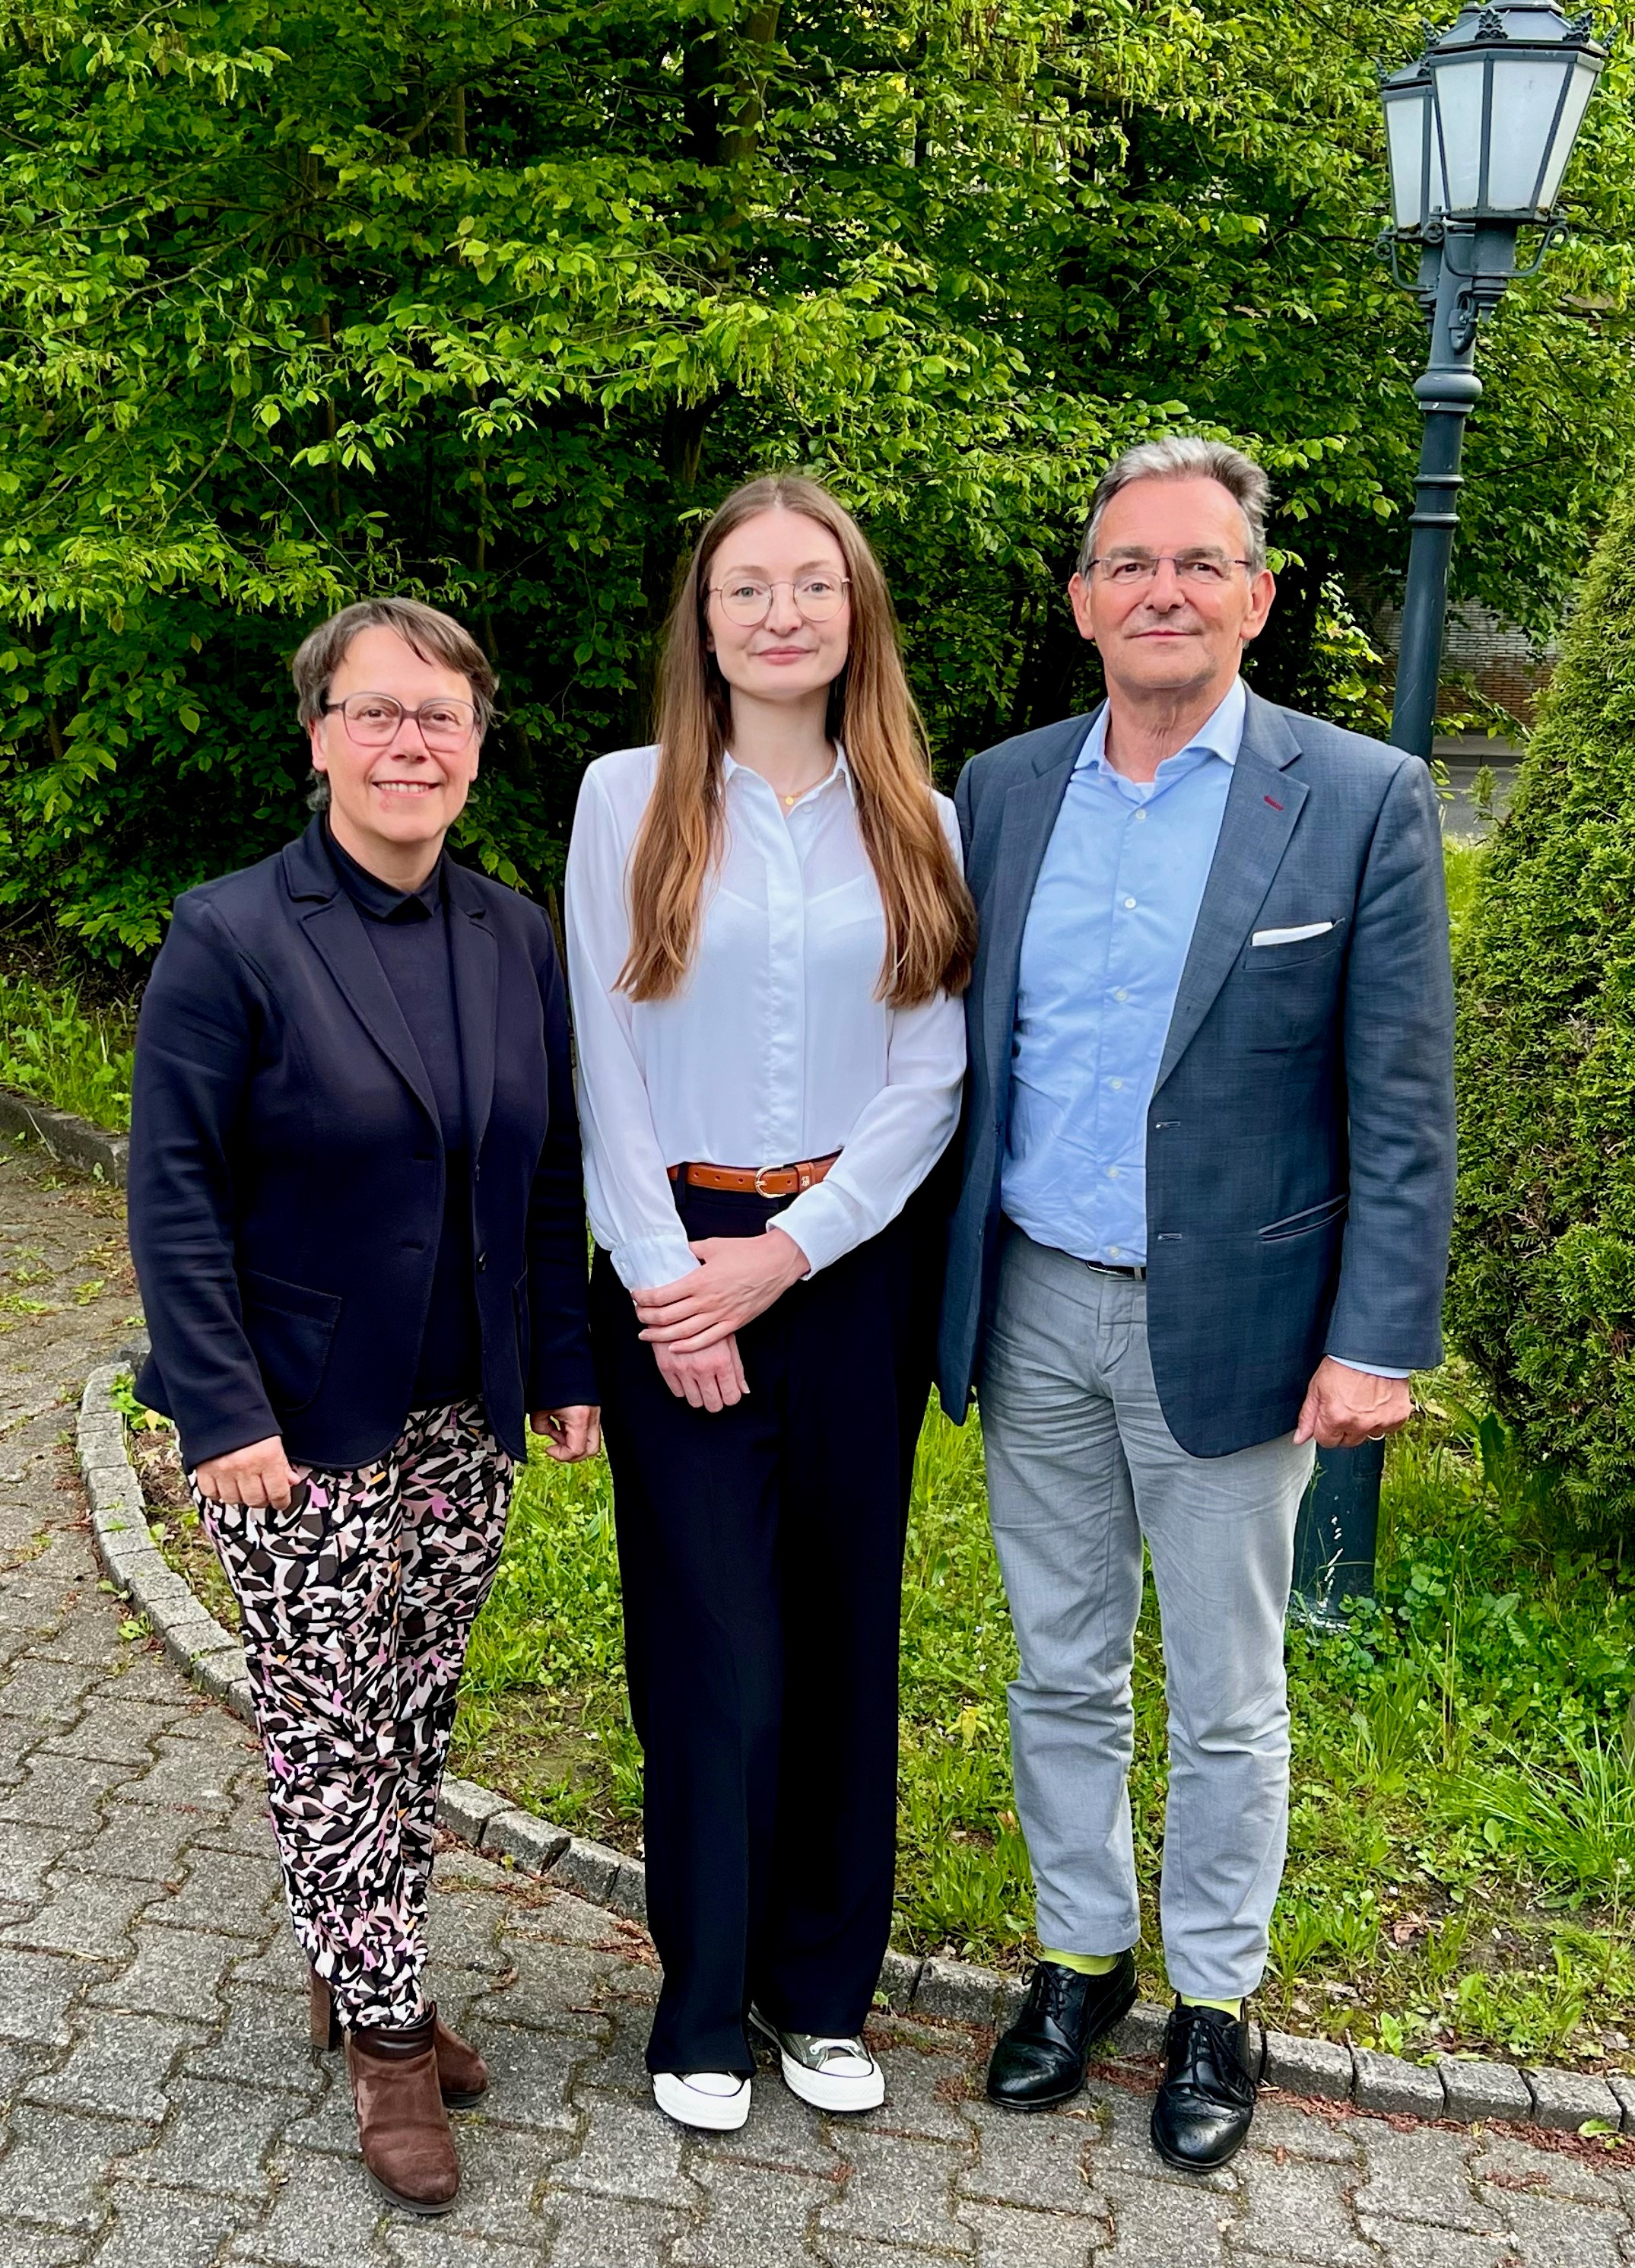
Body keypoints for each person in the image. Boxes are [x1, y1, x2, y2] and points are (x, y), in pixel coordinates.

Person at [938, 440, 1456, 2171]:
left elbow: (1400, 1098)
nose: (1162, 590)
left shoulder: (1359, 795)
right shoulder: (1001, 789)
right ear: (1082, 599)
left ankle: (1216, 2002)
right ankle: (1079, 1959)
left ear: (1256, 591)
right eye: (1127, 563)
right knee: (1058, 1661)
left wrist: (1375, 1337)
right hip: (1032, 1304)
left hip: (1236, 1328)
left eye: (1198, 562)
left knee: (1227, 1693)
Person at [128, 598, 600, 2216]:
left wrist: (563, 1369)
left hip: (464, 1409)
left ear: (476, 747)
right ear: (319, 733)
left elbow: (548, 1178)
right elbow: (174, 1193)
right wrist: (215, 1408)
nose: (412, 744)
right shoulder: (232, 932)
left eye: (441, 719)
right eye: (378, 714)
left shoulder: (514, 934)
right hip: (293, 1418)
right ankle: (390, 2039)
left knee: (408, 1711)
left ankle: (358, 1957)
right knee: (328, 1729)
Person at [565, 474, 973, 2133]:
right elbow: (600, 1057)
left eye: (812, 584)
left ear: (855, 612)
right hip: (675, 1281)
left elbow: (931, 1071)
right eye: (748, 587)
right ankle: (699, 2010)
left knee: (837, 1649)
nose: (781, 611)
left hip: (847, 1280)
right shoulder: (626, 798)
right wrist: (679, 1290)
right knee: (711, 1661)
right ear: (707, 618)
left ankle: (820, 1997)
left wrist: (791, 1255)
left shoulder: (920, 821)